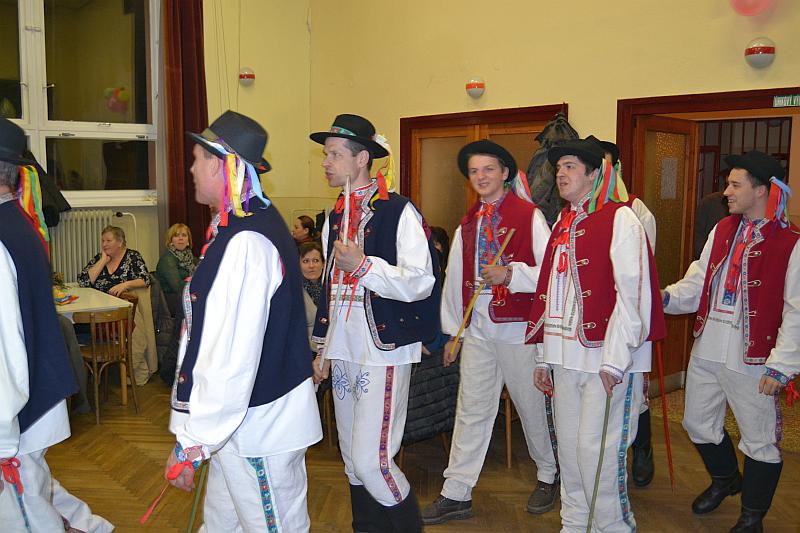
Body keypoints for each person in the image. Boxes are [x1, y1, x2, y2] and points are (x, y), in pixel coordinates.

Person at [166, 110, 322, 531]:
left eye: (197, 159)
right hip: (240, 422)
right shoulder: (242, 227)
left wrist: (194, 441)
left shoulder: (247, 240)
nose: (192, 169)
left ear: (219, 165)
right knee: (222, 524)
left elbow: (231, 354)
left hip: (259, 425)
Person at [309, 113, 437, 532]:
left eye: (334, 154)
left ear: (362, 158)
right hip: (343, 350)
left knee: (372, 462)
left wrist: (365, 266)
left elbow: (421, 281)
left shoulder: (398, 211)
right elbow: (330, 289)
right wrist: (323, 348)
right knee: (351, 458)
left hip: (384, 349)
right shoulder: (333, 216)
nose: (326, 162)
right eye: (325, 154)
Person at [529, 138, 665, 532]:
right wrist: (544, 357)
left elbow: (634, 293)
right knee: (571, 454)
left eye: (570, 166)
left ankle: (614, 527)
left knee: (598, 454)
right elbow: (551, 292)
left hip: (606, 360)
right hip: (564, 357)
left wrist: (616, 360)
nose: (561, 174)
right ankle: (574, 525)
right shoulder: (562, 222)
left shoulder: (620, 218)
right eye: (559, 168)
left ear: (594, 174)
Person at [421, 139, 559, 525]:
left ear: (504, 173)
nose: (481, 177)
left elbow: (552, 274)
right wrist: (454, 332)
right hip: (479, 331)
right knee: (472, 410)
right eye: (474, 171)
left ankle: (548, 474)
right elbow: (455, 278)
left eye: (488, 169)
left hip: (518, 331)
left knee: (530, 407)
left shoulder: (529, 216)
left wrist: (511, 274)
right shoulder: (469, 223)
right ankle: (457, 491)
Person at [662, 150, 798, 532]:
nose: (726, 192)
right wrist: (666, 298)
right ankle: (726, 480)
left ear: (762, 190)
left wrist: (782, 366)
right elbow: (699, 280)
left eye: (735, 185)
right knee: (696, 423)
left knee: (759, 440)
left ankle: (752, 515)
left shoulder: (791, 242)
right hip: (708, 346)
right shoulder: (722, 229)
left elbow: (797, 311)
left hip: (753, 359)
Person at [0, 117, 112, 532]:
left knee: (24, 510)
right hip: (27, 398)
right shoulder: (17, 223)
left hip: (16, 410)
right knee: (35, 487)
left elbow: (5, 343)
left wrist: (2, 438)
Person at [587, 134, 658, 488]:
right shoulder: (580, 212)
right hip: (590, 322)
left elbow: (641, 272)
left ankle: (642, 450)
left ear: (615, 168)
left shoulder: (634, 210)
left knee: (634, 394)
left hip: (626, 316)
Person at [78, 225, 150, 297]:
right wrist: (102, 261)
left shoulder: (132, 256)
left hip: (121, 302)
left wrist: (125, 285)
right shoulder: (100, 257)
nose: (104, 244)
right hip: (98, 301)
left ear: (120, 242)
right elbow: (83, 282)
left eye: (108, 241)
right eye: (103, 241)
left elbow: (145, 280)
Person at [156, 222, 199, 317]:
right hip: (172, 304)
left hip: (188, 298)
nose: (180, 238)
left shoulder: (193, 259)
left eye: (184, 235)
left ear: (188, 241)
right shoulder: (167, 259)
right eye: (176, 235)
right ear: (171, 241)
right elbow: (177, 286)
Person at [299, 240, 324, 352]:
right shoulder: (294, 291)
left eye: (316, 260)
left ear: (323, 264)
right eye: (306, 261)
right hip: (305, 352)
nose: (311, 266)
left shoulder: (331, 289)